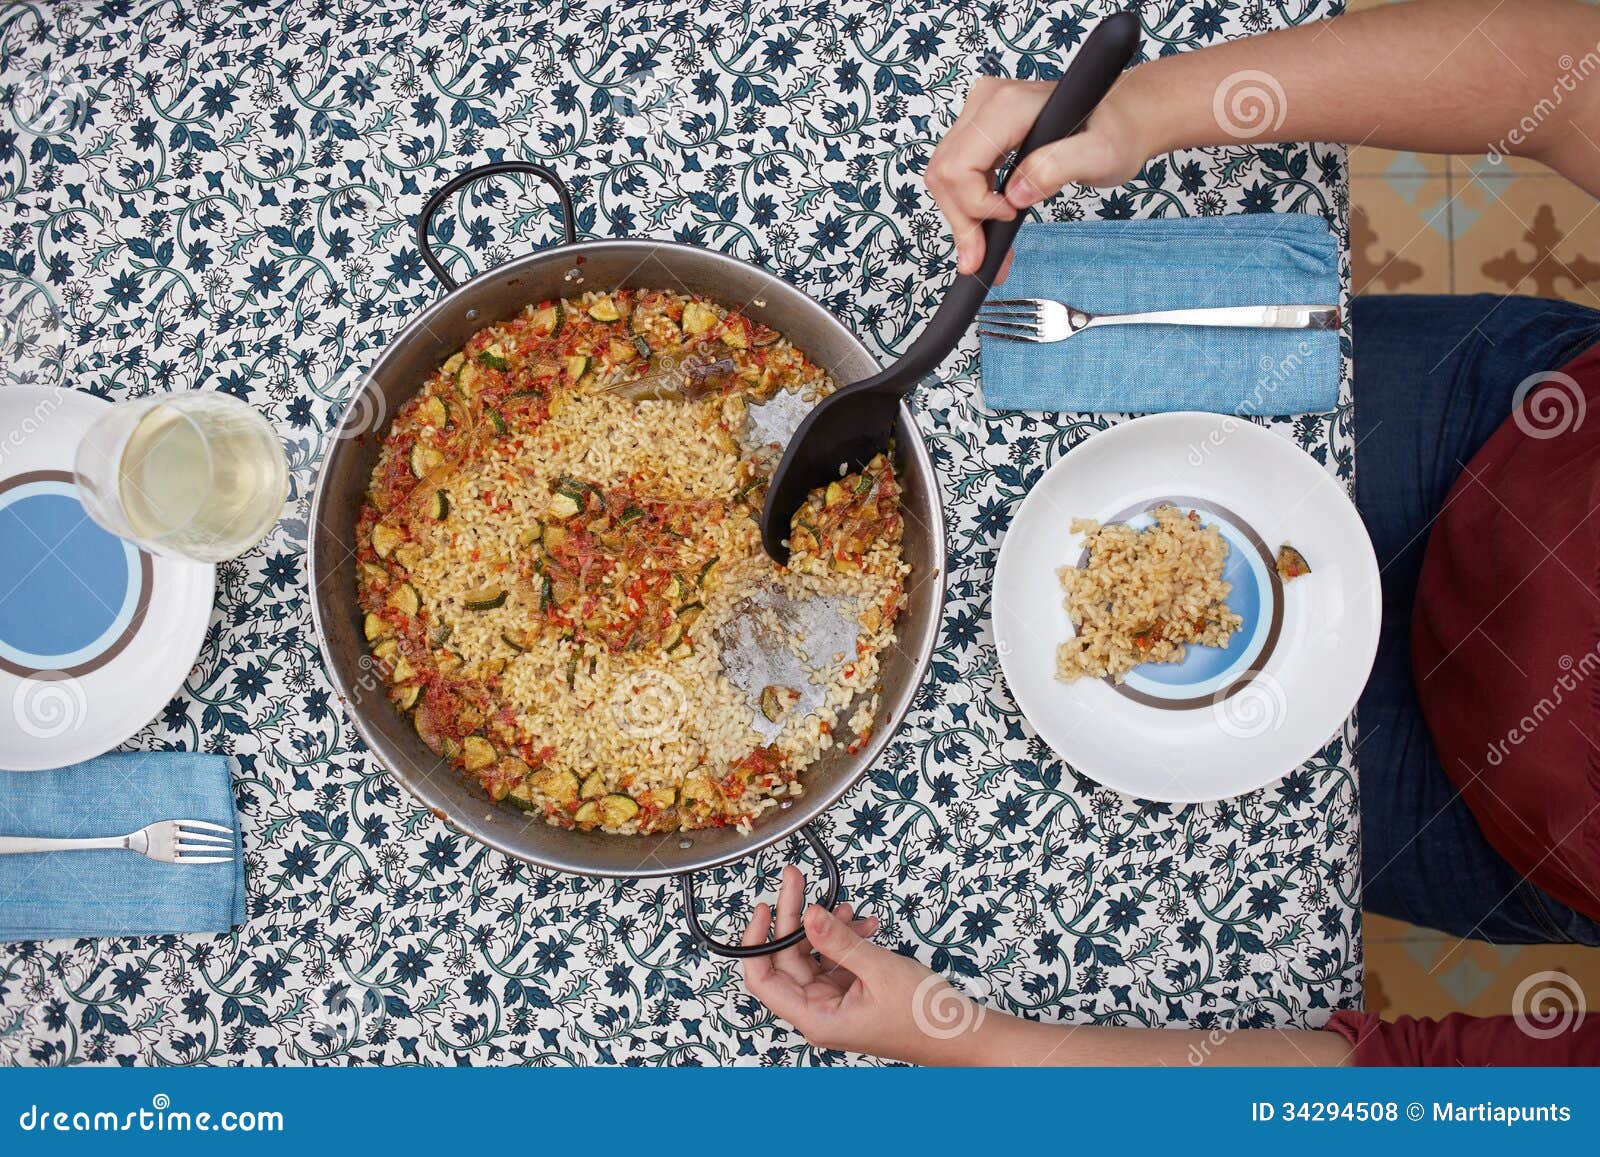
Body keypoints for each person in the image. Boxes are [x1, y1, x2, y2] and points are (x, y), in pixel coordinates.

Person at [741, 0, 1600, 1064]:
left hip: (1464, 806)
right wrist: (1143, 108)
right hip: (1490, 419)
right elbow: (1570, 78)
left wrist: (970, 1035)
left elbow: (1396, 1089)